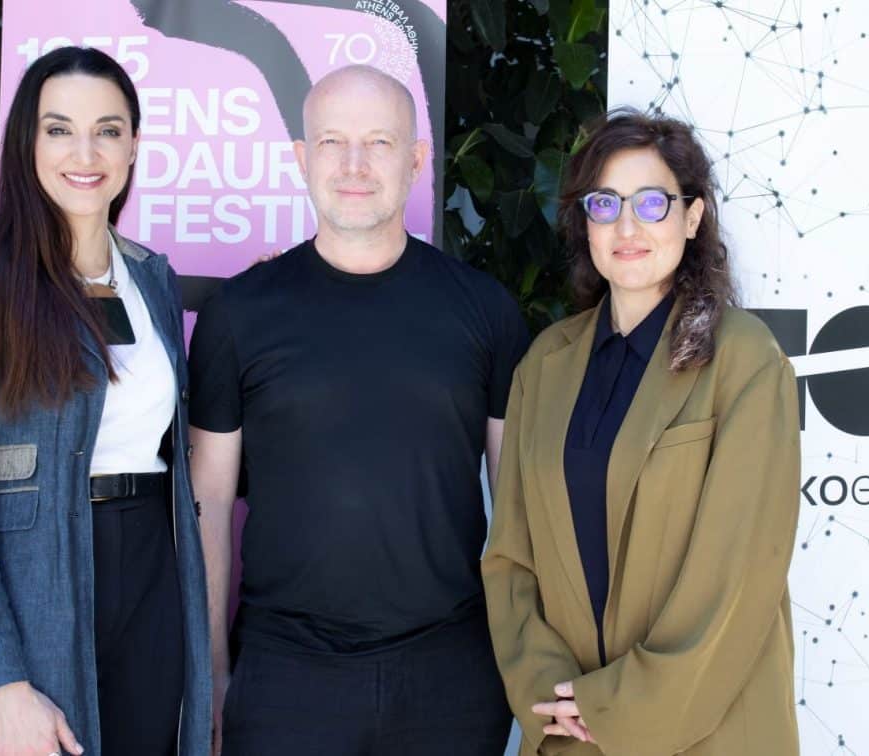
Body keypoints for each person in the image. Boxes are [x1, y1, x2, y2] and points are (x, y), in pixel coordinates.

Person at [188, 64, 530, 756]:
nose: (353, 165)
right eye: (331, 142)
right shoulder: (238, 313)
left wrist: (529, 662)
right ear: (300, 157)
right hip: (285, 677)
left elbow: (521, 505)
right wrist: (214, 672)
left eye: (378, 142)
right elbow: (209, 503)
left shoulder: (485, 310)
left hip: (451, 676)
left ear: (416, 160)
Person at [0, 46, 210, 756]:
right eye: (60, 129)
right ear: (26, 142)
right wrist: (1, 683)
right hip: (34, 581)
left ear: (133, 145)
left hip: (154, 578)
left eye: (108, 130)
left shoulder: (152, 278)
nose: (85, 153)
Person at [482, 108, 801, 756]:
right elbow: (511, 558)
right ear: (585, 223)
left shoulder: (744, 359)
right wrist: (550, 694)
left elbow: (736, 581)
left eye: (652, 203)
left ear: (692, 217)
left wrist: (616, 707)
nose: (627, 227)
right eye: (605, 204)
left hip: (707, 732)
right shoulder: (543, 366)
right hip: (568, 728)